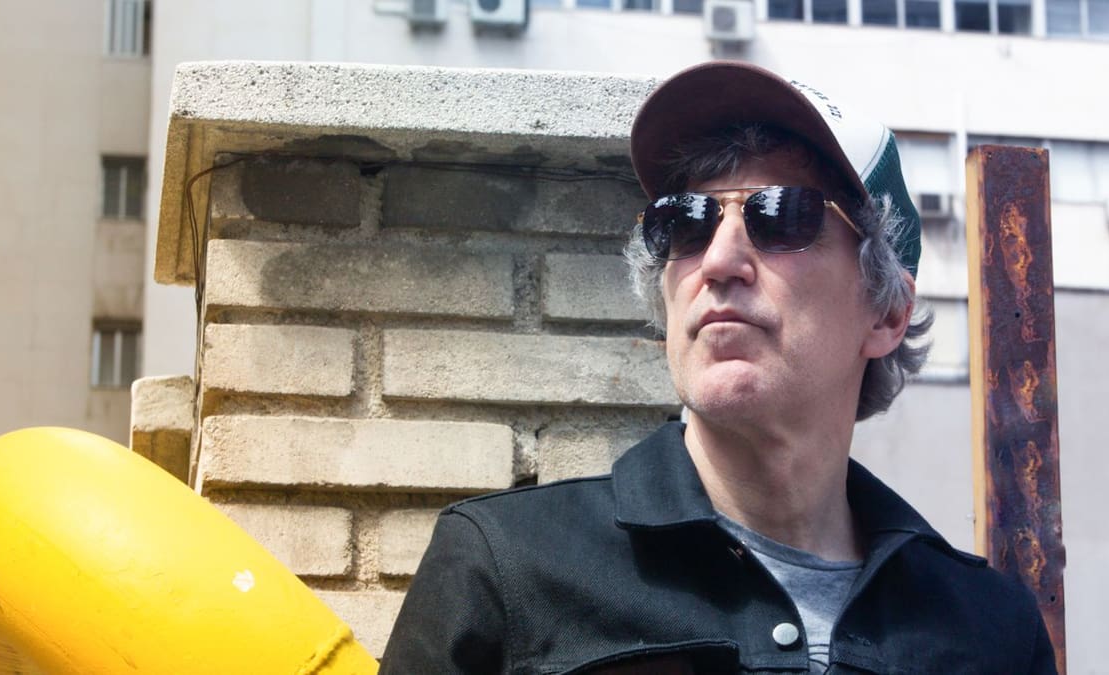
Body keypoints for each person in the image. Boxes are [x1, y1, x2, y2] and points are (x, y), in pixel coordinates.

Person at [378, 61, 1057, 674]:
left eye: (782, 215)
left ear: (885, 314)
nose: (720, 259)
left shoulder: (991, 630)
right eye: (688, 221)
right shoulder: (504, 567)